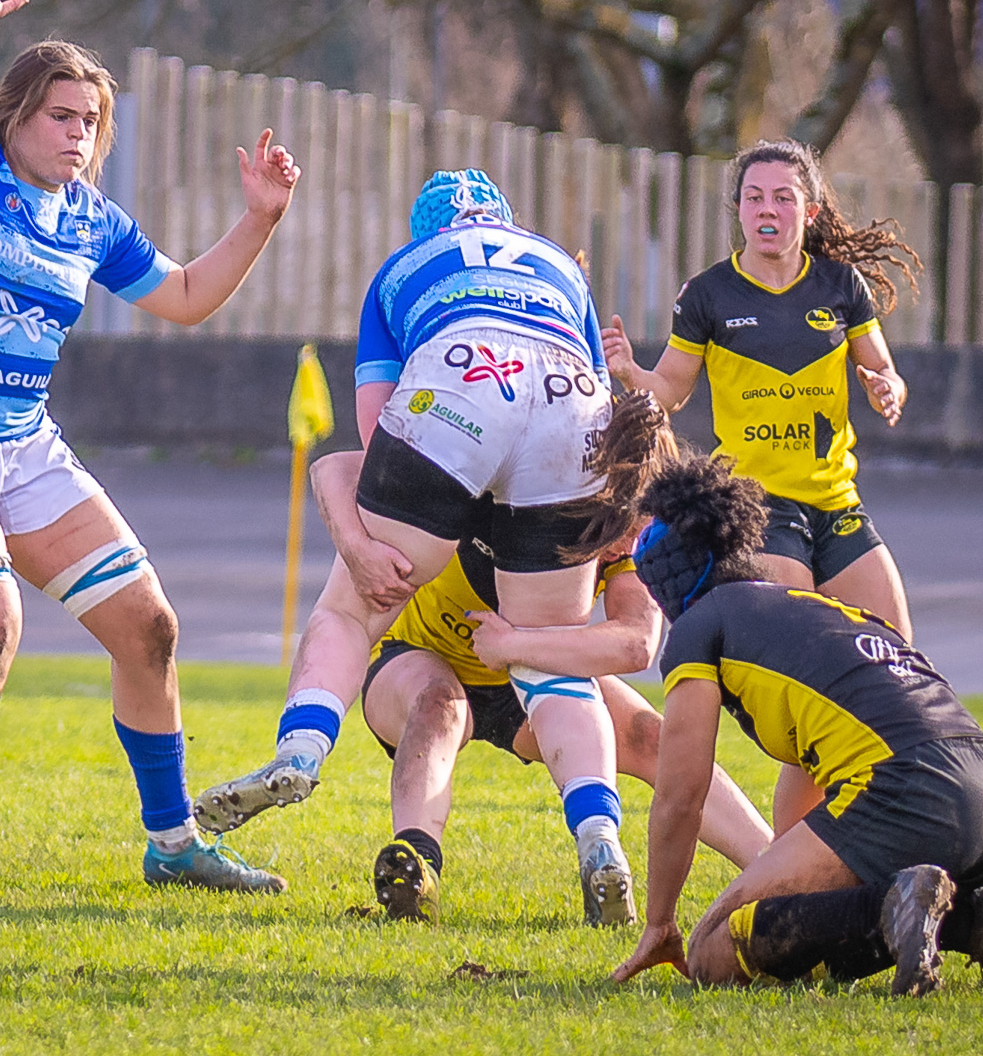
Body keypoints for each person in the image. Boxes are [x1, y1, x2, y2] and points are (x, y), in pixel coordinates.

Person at [0, 0, 300, 896]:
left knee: (150, 626)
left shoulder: (92, 220)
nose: (78, 134)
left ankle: (171, 844)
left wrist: (257, 220)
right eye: (61, 116)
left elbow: (182, 298)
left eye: (91, 121)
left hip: (24, 446)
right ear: (14, 116)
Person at [199, 169, 635, 904]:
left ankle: (301, 750)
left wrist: (427, 507)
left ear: (425, 230)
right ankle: (599, 837)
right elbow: (602, 408)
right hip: (573, 403)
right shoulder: (557, 263)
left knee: (350, 608)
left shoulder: (402, 270)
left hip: (465, 376)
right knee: (551, 658)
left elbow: (376, 435)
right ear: (504, 219)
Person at [308, 392, 773, 925]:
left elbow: (635, 643)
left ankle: (775, 868)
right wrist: (355, 547)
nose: (631, 544)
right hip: (420, 656)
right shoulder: (509, 479)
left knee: (650, 734)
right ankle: (416, 866)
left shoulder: (632, 544)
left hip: (520, 668)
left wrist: (513, 647)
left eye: (645, 524)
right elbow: (333, 469)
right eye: (626, 522)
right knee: (439, 706)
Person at [611, 454, 983, 995]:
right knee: (807, 908)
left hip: (913, 792)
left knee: (713, 951)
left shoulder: (702, 626)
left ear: (666, 587)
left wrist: (659, 923)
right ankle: (978, 923)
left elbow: (680, 795)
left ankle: (899, 900)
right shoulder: (816, 608)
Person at [601, 138, 919, 642]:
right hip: (760, 507)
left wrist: (887, 389)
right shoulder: (708, 294)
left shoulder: (843, 286)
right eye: (754, 197)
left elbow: (886, 371)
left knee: (897, 653)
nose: (767, 209)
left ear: (809, 211)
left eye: (783, 197)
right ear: (739, 210)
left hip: (837, 502)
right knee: (799, 652)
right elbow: (671, 391)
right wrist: (631, 375)